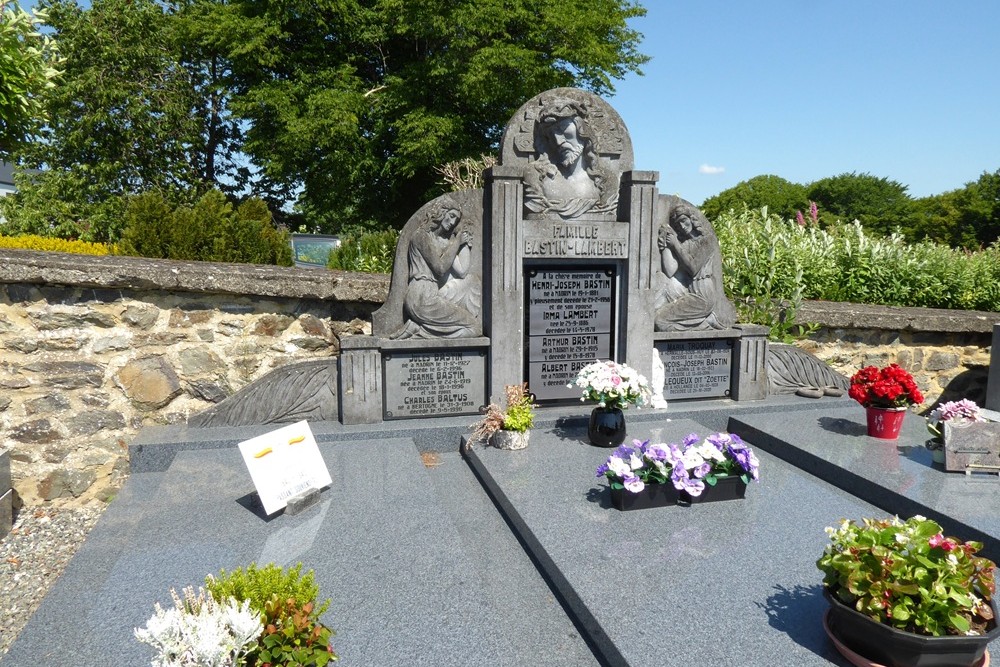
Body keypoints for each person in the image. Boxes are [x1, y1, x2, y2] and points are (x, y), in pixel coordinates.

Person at [392, 201, 482, 339]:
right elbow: (440, 268)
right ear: (441, 213)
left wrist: (464, 244)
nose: (452, 222)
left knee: (475, 328)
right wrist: (457, 241)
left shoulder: (443, 242)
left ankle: (417, 328)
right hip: (420, 296)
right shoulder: (421, 236)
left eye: (456, 220)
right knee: (473, 327)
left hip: (432, 295)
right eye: (451, 216)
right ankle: (419, 331)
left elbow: (462, 272)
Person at [523, 99, 618, 219]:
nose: (558, 141)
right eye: (551, 135)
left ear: (582, 129)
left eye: (563, 129)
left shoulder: (606, 180)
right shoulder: (536, 175)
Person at [654, 203, 736, 331]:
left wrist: (675, 245)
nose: (682, 226)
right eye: (677, 225)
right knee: (658, 319)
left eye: (683, 220)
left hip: (703, 295)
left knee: (660, 321)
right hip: (690, 293)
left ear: (691, 219)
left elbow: (693, 268)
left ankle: (707, 322)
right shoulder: (686, 244)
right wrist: (665, 245)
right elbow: (670, 271)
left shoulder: (707, 240)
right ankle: (704, 321)